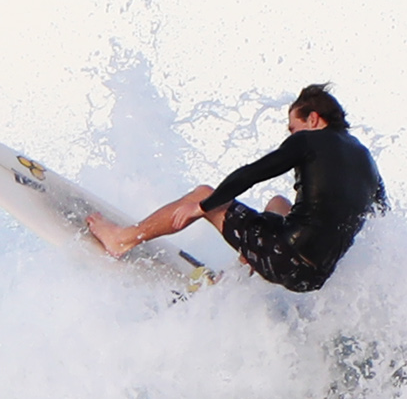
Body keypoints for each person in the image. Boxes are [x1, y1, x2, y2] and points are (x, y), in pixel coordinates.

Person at [87, 84, 386, 292]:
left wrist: (202, 206)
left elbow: (251, 174)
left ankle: (122, 239)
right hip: (315, 276)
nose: (291, 134)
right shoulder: (368, 163)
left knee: (204, 193)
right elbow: (381, 216)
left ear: (313, 119)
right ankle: (234, 278)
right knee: (279, 204)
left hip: (285, 257)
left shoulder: (309, 139)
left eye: (293, 128)